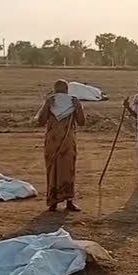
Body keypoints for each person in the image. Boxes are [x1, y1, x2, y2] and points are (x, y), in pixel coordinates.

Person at [36, 79, 86, 212]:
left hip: (66, 143)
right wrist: (47, 105)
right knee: (54, 171)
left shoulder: (73, 103)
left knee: (67, 170)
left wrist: (78, 107)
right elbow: (41, 121)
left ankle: (68, 200)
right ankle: (53, 202)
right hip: (54, 143)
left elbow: (81, 122)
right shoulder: (50, 103)